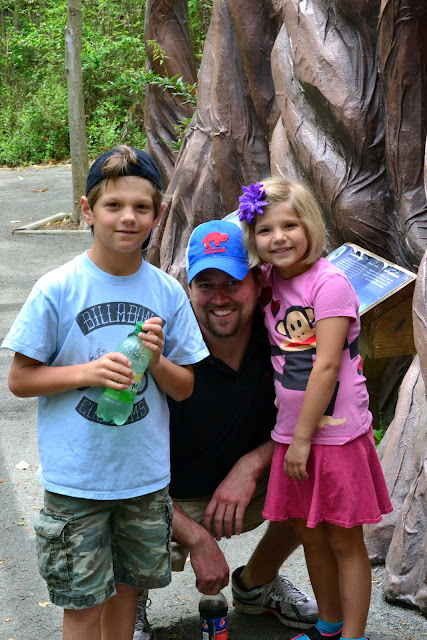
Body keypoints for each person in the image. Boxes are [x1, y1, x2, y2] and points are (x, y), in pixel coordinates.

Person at [2, 145, 209, 640]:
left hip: (143, 479)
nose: (128, 217)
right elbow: (20, 379)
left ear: (158, 214)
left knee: (127, 596)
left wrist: (155, 360)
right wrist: (88, 372)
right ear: (88, 210)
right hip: (78, 481)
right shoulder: (58, 288)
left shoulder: (166, 292)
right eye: (114, 205)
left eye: (141, 207)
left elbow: (184, 388)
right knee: (82, 606)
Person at [134, 219, 318, 640]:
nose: (219, 298)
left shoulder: (283, 336)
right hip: (165, 499)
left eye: (232, 283)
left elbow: (316, 419)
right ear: (189, 290)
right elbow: (122, 468)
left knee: (321, 467)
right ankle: (130, 599)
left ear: (257, 282)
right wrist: (197, 539)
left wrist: (252, 464)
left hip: (251, 491)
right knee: (110, 509)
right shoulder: (165, 350)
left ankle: (257, 583)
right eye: (206, 285)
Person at [237, 176, 393, 640]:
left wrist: (303, 439)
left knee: (344, 537)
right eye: (265, 229)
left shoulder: (330, 283)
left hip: (334, 434)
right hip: (291, 432)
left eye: (290, 225)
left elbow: (326, 367)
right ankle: (329, 625)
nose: (278, 237)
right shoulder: (269, 280)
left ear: (310, 225)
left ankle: (354, 636)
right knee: (307, 533)